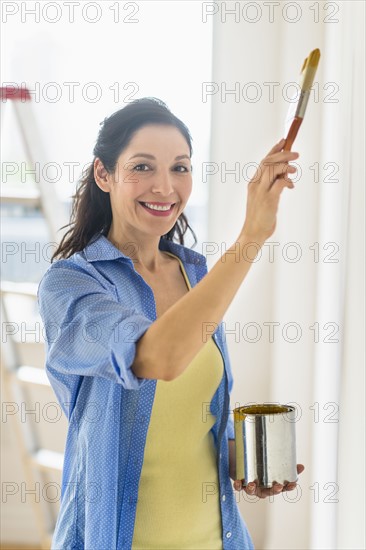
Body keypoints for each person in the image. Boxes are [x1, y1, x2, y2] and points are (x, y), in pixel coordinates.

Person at [38, 97, 304, 550]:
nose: (165, 187)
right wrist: (252, 236)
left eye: (180, 168)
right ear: (104, 174)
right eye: (142, 167)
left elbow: (189, 424)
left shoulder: (194, 275)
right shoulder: (70, 286)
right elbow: (157, 357)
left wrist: (244, 459)